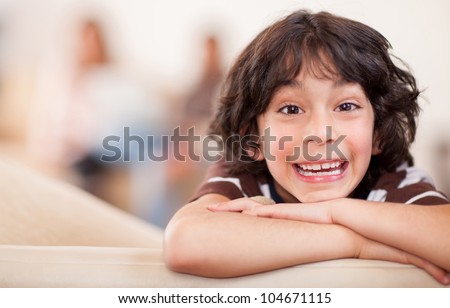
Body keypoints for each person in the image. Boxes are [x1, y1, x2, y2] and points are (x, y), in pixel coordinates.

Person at [164, 10, 450, 284]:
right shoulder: (243, 176)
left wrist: (333, 212)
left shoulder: (394, 179)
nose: (319, 133)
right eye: (290, 109)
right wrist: (354, 242)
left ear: (378, 133)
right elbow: (185, 241)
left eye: (346, 106)